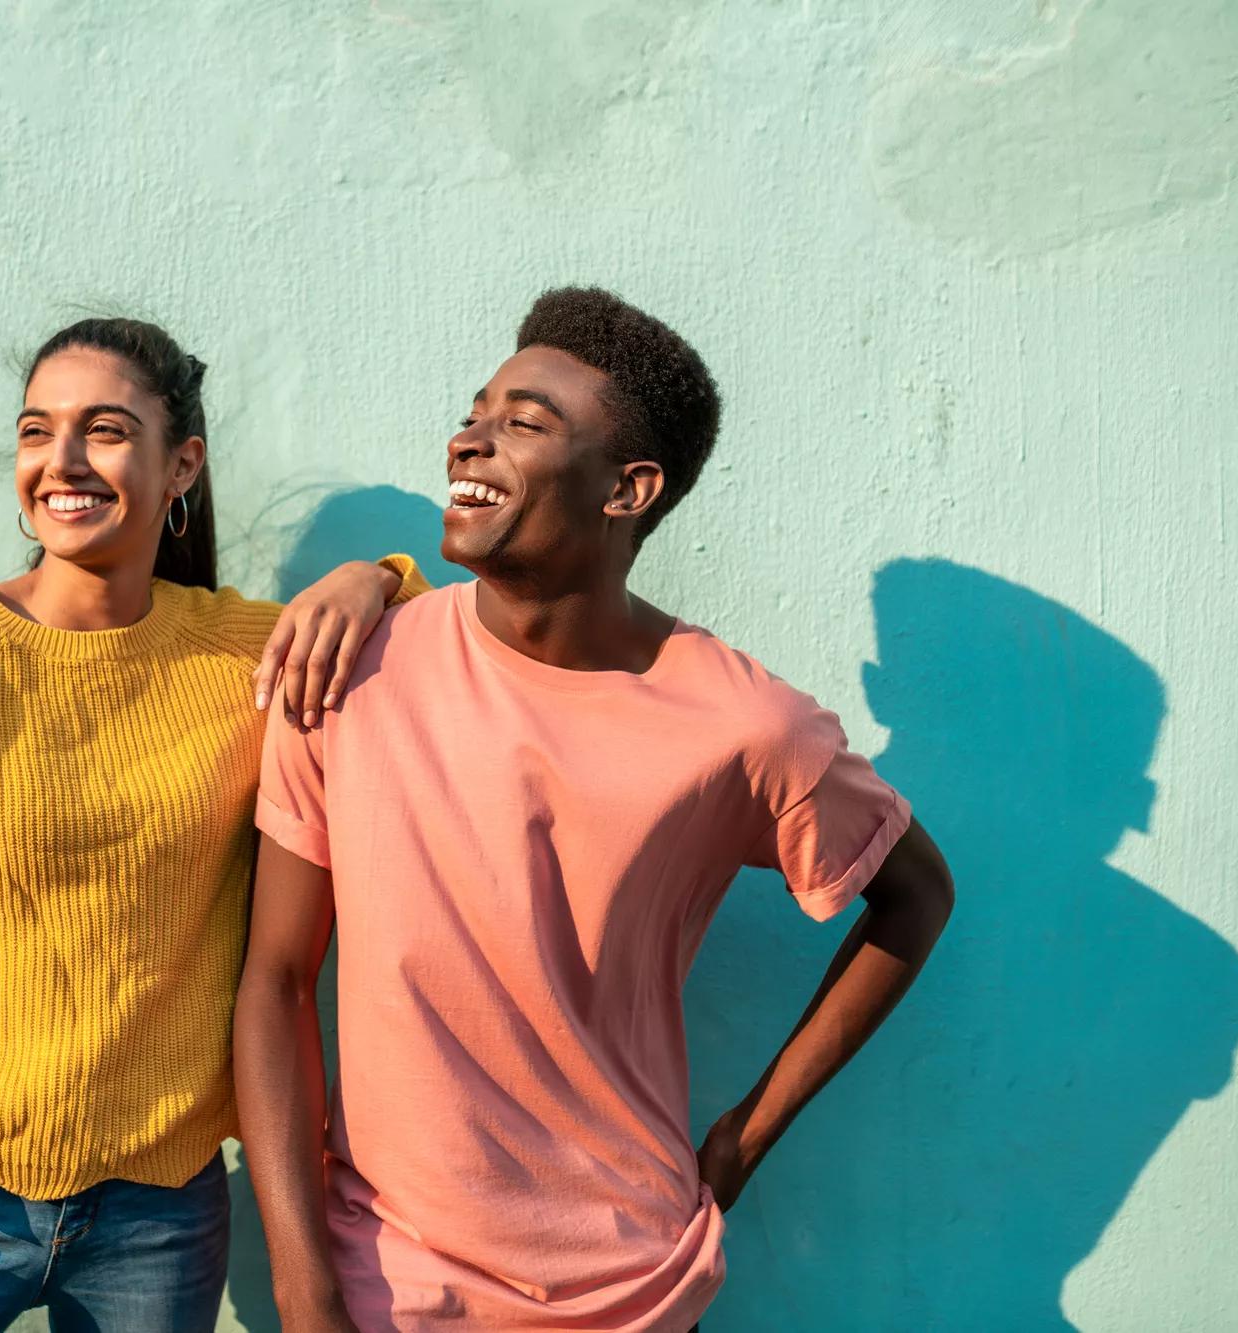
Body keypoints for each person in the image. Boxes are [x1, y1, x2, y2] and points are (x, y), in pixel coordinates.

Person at [233, 288, 956, 1331]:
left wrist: (744, 1137)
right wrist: (304, 1293)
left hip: (633, 1288)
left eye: (523, 422)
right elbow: (273, 980)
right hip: (386, 1281)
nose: (469, 439)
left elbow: (914, 895)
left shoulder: (743, 724)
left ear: (629, 487)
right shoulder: (347, 670)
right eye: (475, 410)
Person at [0, 315, 429, 1333]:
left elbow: (419, 647)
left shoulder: (245, 659)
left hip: (161, 1215)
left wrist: (377, 574)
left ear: (182, 464)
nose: (60, 460)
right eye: (35, 430)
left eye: (101, 429)